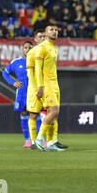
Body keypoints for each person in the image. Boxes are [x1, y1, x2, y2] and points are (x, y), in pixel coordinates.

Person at [33, 24, 66, 152]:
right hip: (47, 85)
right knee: (53, 112)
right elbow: (37, 69)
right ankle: (39, 139)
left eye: (56, 30)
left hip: (54, 83)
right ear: (46, 34)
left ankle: (52, 142)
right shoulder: (42, 48)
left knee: (55, 115)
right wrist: (40, 87)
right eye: (51, 30)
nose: (55, 32)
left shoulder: (54, 48)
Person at [2, 41, 34, 148]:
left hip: (34, 92)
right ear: (22, 49)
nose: (28, 49)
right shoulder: (16, 62)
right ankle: (27, 140)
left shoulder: (37, 61)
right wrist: (13, 82)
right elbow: (5, 73)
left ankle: (38, 139)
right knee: (24, 114)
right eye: (26, 47)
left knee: (36, 114)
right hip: (22, 93)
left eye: (30, 47)